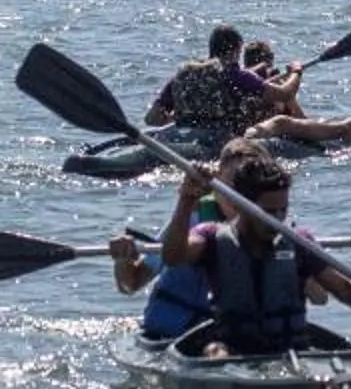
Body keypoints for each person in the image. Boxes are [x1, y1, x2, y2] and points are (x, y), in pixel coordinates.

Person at [161, 153, 351, 355]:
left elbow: (348, 292)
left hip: (292, 351)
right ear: (240, 203)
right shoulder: (212, 237)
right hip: (230, 350)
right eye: (268, 212)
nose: (277, 220)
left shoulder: (298, 243)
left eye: (282, 210)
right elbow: (173, 257)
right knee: (213, 350)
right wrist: (186, 201)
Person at [108, 136, 266, 339]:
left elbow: (318, 295)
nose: (241, 194)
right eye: (234, 182)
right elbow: (131, 283)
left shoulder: (275, 227)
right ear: (217, 180)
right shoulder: (190, 219)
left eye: (251, 184)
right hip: (169, 336)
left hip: (237, 339)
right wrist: (122, 259)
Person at [233, 38, 351, 145]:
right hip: (271, 135)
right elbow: (301, 119)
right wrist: (295, 72)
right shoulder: (278, 87)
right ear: (271, 59)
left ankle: (341, 126)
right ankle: (345, 128)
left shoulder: (241, 85)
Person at [146, 24, 267, 137]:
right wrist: (287, 77)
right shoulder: (237, 75)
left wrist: (177, 118)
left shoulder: (186, 74)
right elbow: (280, 94)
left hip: (182, 135)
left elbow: (152, 119)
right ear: (235, 50)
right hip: (219, 141)